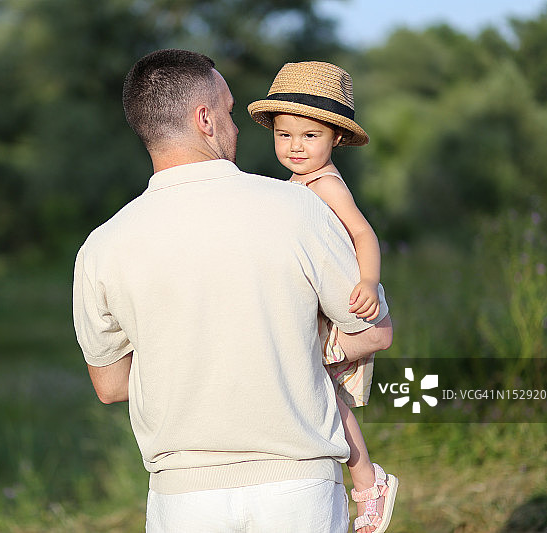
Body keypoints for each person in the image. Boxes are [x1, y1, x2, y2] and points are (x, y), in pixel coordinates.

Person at [73, 49, 393, 533]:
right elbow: (374, 334)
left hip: (182, 497)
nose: (238, 126)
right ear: (205, 119)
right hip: (297, 487)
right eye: (228, 111)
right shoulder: (299, 208)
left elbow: (112, 386)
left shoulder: (101, 247)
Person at [248, 61, 398, 533]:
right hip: (312, 307)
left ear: (334, 138)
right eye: (284, 135)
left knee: (329, 400)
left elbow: (363, 233)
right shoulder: (294, 185)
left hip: (341, 310)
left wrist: (369, 283)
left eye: (309, 136)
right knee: (318, 398)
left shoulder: (325, 183)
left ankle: (368, 482)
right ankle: (340, 481)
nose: (295, 146)